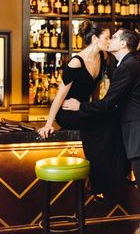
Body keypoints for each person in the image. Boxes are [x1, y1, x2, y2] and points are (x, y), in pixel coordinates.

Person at [62, 28, 140, 222]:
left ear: (123, 44)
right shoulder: (137, 65)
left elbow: (108, 103)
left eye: (115, 37)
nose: (110, 41)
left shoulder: (126, 67)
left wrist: (80, 106)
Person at [37, 20, 129, 195]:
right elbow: (60, 96)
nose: (109, 41)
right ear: (95, 38)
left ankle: (113, 176)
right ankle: (96, 182)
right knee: (103, 127)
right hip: (68, 112)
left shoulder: (102, 57)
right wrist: (49, 123)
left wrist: (93, 108)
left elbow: (94, 89)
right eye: (107, 38)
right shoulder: (76, 62)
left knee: (114, 122)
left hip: (84, 109)